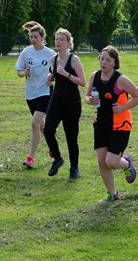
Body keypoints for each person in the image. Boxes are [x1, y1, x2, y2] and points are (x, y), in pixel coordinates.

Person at [85, 45, 138, 203]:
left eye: (107, 60)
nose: (103, 62)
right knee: (101, 161)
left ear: (114, 63)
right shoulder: (94, 76)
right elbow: (87, 96)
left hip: (120, 125)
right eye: (101, 59)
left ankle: (126, 164)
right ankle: (112, 194)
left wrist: (123, 107)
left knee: (110, 161)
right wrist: (89, 100)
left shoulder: (121, 80)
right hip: (100, 124)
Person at [44, 28, 86, 179]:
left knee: (71, 136)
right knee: (48, 129)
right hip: (56, 100)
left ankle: (74, 168)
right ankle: (57, 158)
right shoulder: (53, 59)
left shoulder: (74, 59)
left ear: (68, 42)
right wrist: (51, 77)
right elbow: (54, 74)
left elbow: (82, 82)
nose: (58, 42)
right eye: (56, 39)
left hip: (72, 102)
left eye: (62, 39)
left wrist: (66, 74)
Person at [15, 21, 57, 169]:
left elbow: (57, 70)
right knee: (41, 126)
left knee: (34, 124)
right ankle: (53, 148)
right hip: (30, 93)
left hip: (45, 92)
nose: (33, 39)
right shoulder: (26, 52)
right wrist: (24, 73)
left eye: (36, 37)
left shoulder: (51, 54)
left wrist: (52, 77)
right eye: (31, 37)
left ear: (42, 38)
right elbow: (19, 71)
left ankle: (30, 157)